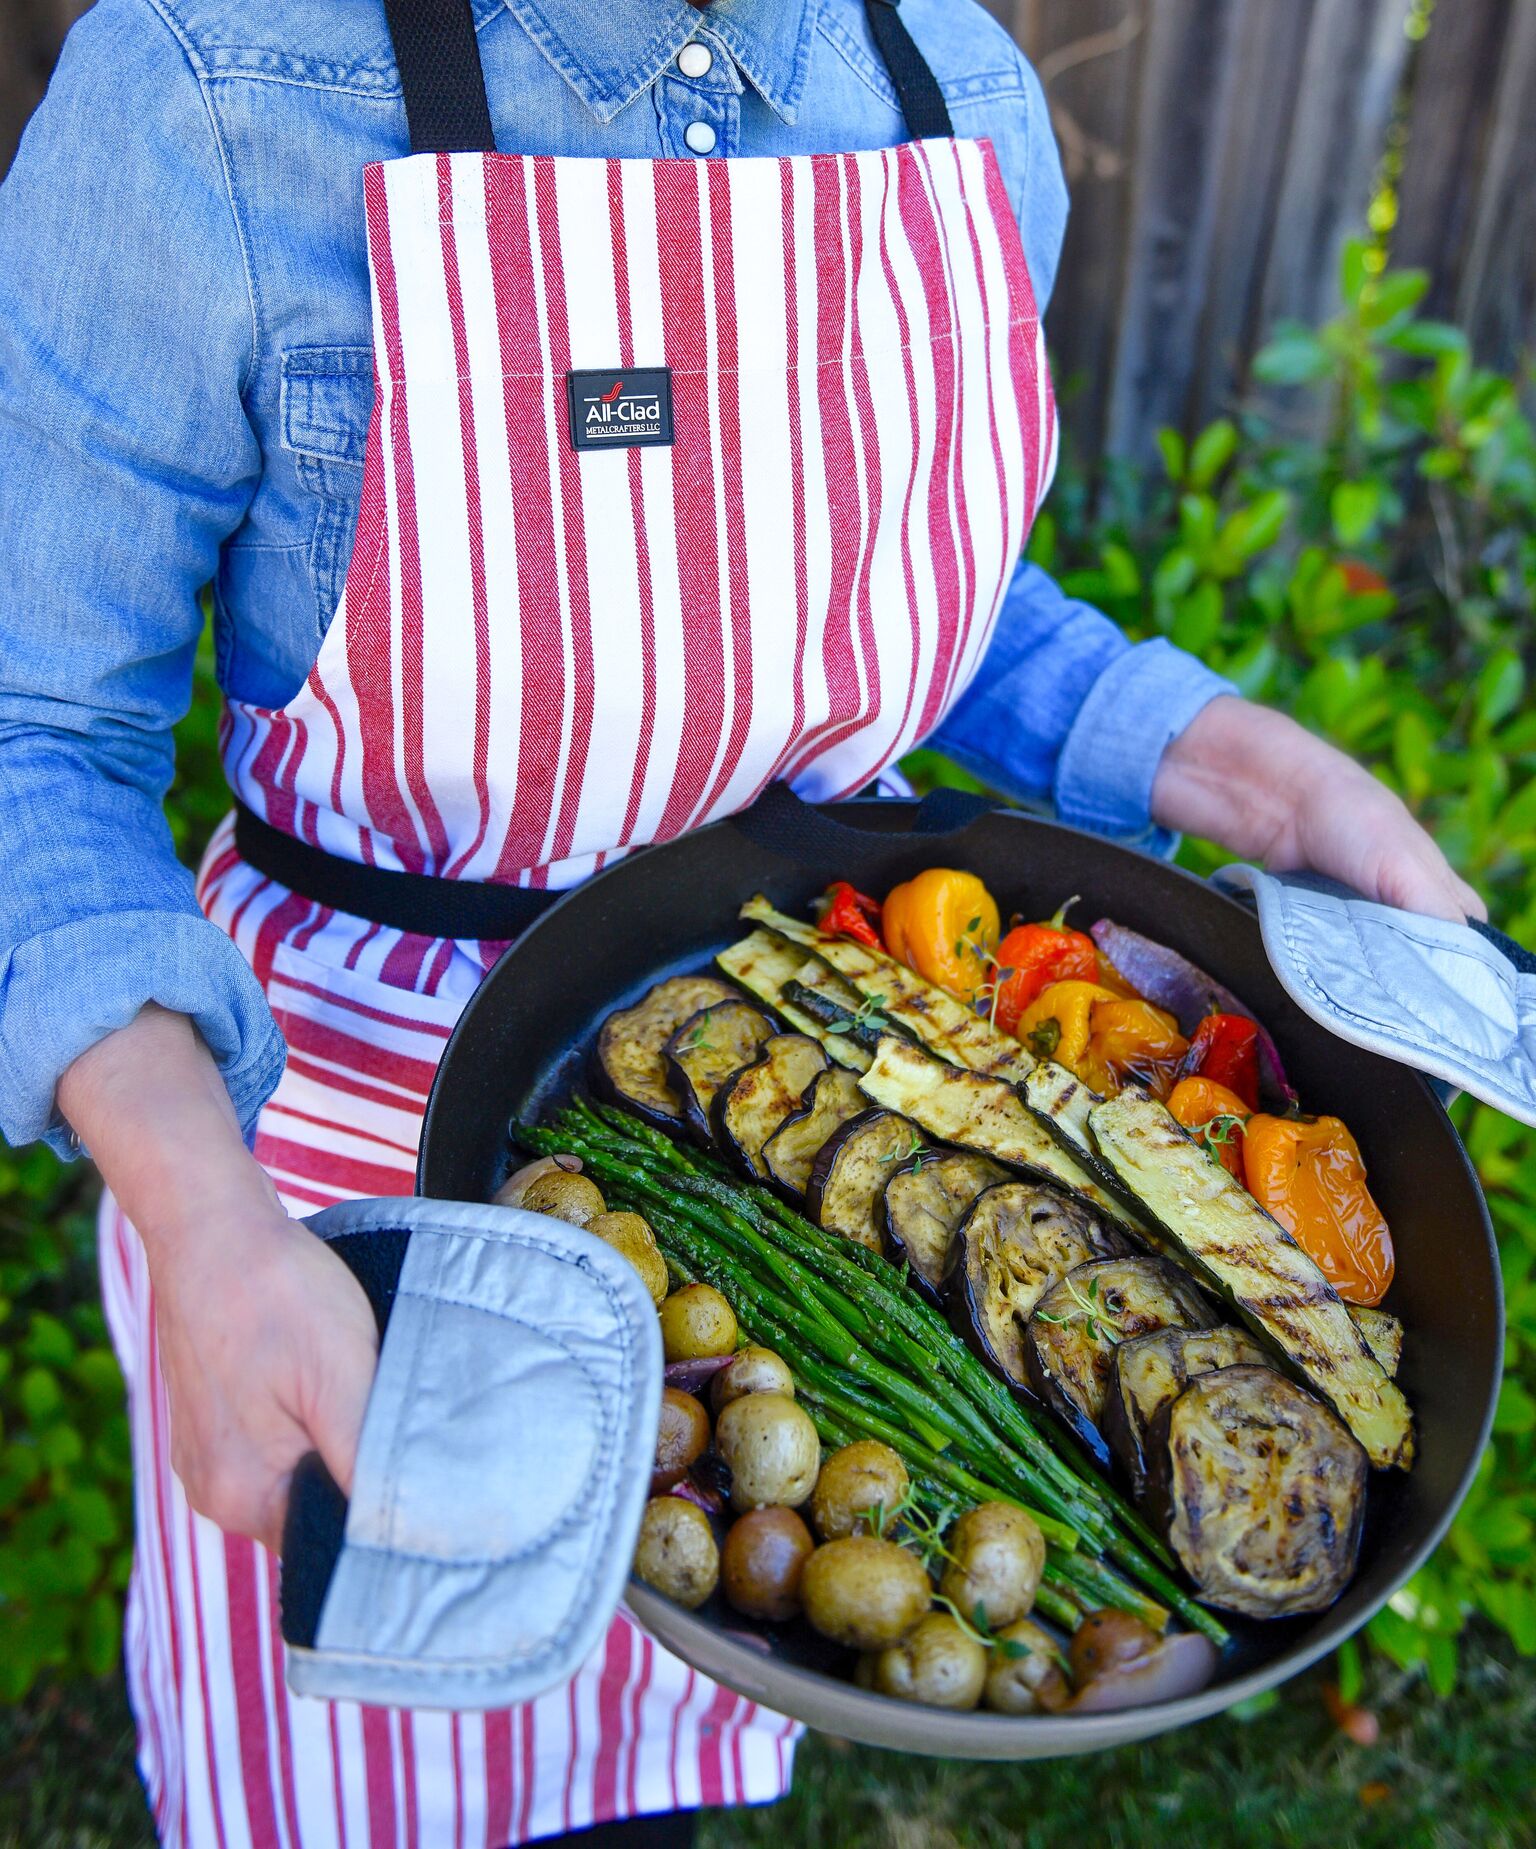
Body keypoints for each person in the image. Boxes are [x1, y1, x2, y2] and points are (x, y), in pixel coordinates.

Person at [0, 0, 1481, 1844]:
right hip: (331, 1208)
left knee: (664, 1755)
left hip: (793, 1119)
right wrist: (204, 1221)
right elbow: (37, 736)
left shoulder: (960, 98)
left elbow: (933, 591)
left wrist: (1274, 785)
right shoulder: (215, 88)